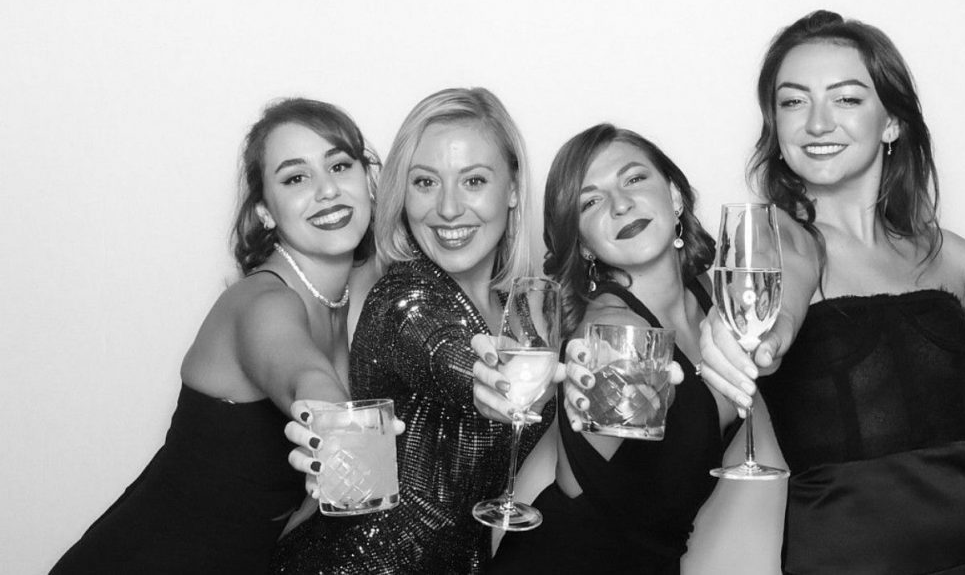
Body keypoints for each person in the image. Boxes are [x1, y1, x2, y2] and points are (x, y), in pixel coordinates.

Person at [699, 10, 965, 574]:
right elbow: (774, 302)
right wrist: (744, 332)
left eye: (845, 99)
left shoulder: (939, 250)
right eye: (793, 102)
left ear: (891, 122)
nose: (817, 123)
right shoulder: (780, 239)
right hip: (848, 558)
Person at [51, 98, 381, 574]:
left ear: (366, 179)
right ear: (266, 211)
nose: (327, 190)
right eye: (296, 177)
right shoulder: (259, 302)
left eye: (339, 165)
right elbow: (302, 375)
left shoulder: (347, 295)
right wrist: (337, 426)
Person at [272, 87, 554, 575]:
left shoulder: (524, 313)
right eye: (425, 183)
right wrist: (485, 376)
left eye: (473, 181)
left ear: (511, 190)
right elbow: (438, 347)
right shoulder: (402, 298)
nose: (447, 209)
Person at [473, 124, 744, 574]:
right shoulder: (609, 323)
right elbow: (610, 366)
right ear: (581, 241)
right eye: (591, 201)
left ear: (674, 196)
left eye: (634, 179)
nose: (620, 205)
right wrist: (631, 388)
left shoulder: (714, 303)